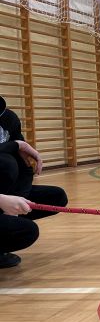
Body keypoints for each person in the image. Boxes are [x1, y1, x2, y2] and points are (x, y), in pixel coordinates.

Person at [0, 97, 68, 268]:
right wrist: (16, 145)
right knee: (6, 163)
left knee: (56, 197)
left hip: (6, 191)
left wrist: (17, 200)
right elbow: (17, 149)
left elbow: (24, 166)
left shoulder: (8, 118)